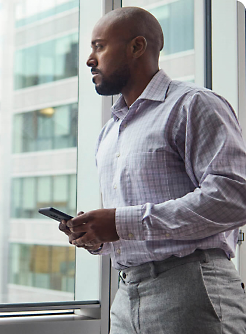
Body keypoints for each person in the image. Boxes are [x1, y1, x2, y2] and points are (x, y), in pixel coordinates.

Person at [59, 6, 246, 334]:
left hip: (190, 291)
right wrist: (96, 235)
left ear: (137, 47)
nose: (90, 59)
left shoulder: (194, 104)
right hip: (126, 296)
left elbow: (234, 197)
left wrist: (118, 222)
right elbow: (129, 229)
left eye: (99, 46)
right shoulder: (109, 132)